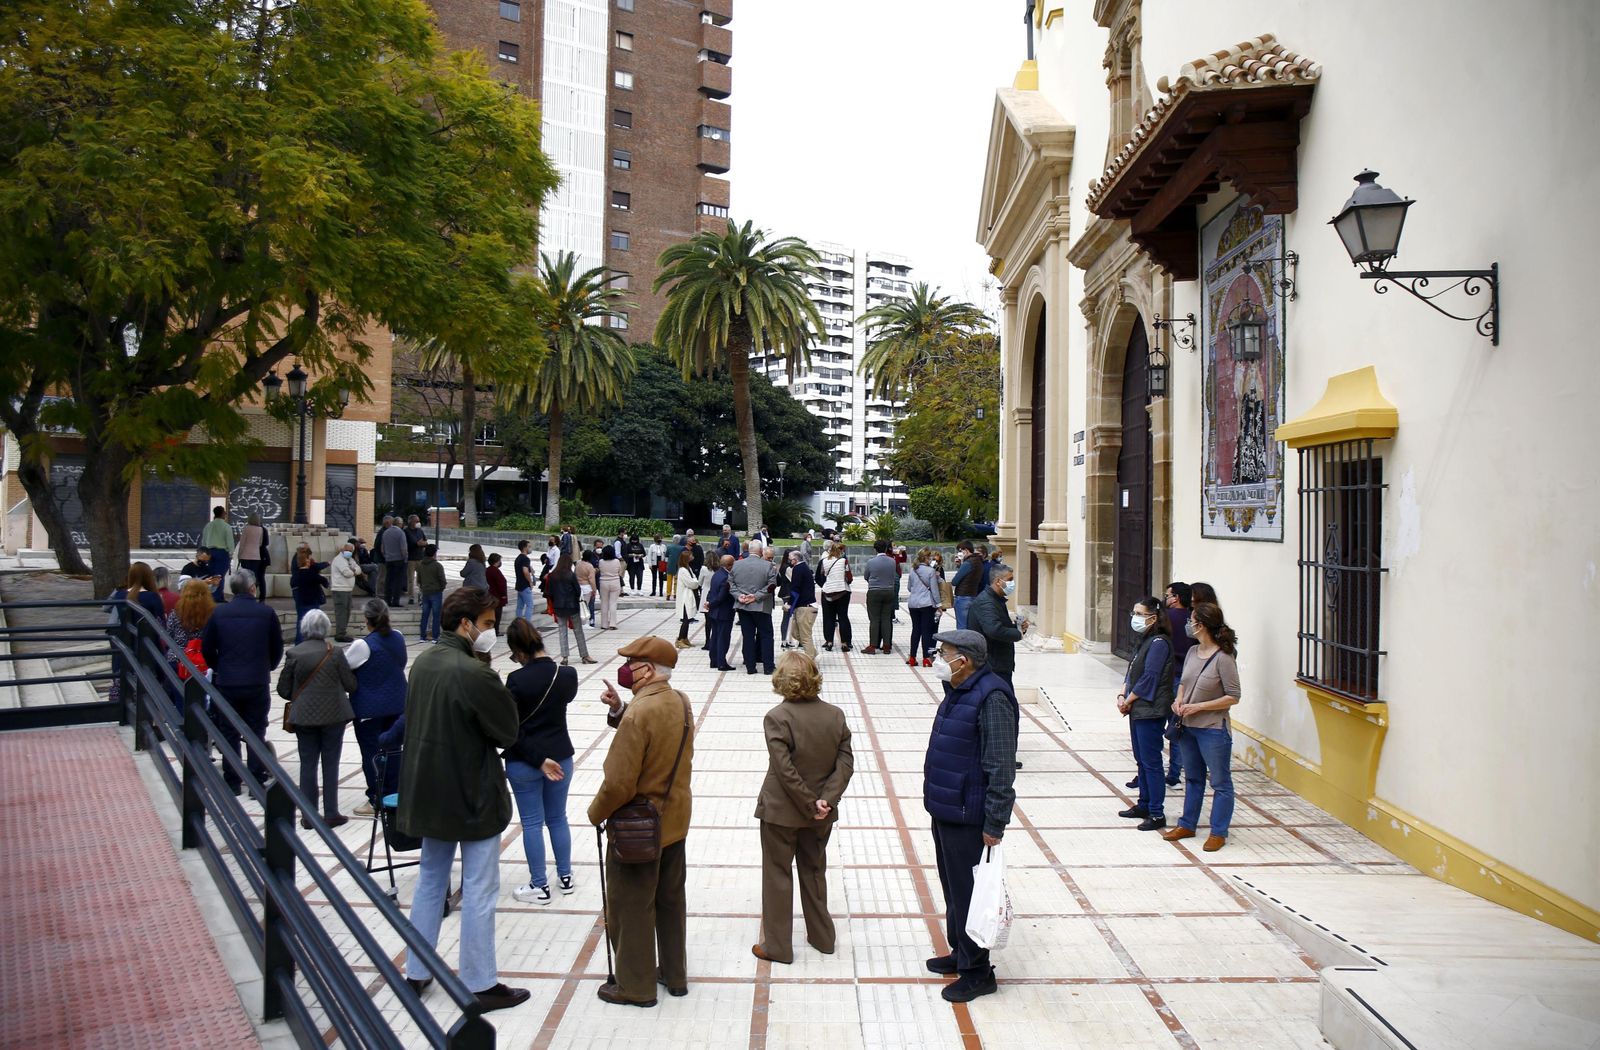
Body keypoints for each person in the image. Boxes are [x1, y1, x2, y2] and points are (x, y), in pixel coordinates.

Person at [398, 587, 529, 1013]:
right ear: (466, 623)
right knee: (479, 888)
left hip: (428, 789)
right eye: (488, 624)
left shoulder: (423, 663)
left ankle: (417, 970)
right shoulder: (475, 673)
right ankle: (479, 981)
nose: (492, 632)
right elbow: (507, 731)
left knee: (430, 881)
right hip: (472, 792)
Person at [589, 636, 696, 1007]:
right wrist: (620, 708)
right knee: (670, 901)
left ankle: (635, 987)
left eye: (631, 663)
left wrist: (595, 812)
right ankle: (675, 975)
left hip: (639, 830)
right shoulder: (679, 701)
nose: (625, 669)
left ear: (647, 670)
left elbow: (618, 783)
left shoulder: (639, 714)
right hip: (675, 819)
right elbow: (659, 742)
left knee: (631, 905)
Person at [922, 629, 1018, 1003]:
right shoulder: (960, 689)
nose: (938, 659)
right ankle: (961, 952)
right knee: (953, 888)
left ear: (964, 660)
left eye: (943, 653)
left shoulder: (992, 697)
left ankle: (978, 973)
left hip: (969, 814)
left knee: (968, 894)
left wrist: (995, 821)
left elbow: (1000, 765)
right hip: (947, 807)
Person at [752, 651, 853, 965]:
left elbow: (784, 769)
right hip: (821, 814)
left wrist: (809, 803)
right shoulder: (835, 715)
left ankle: (778, 947)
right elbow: (845, 763)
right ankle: (822, 937)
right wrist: (826, 800)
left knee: (777, 875)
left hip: (782, 811)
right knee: (814, 871)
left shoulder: (777, 717)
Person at [502, 620, 580, 905]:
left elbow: (510, 727)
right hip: (561, 756)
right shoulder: (567, 674)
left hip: (525, 760)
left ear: (519, 651)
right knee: (558, 818)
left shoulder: (516, 680)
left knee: (532, 823)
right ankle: (565, 876)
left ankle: (539, 885)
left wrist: (537, 758)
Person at [1163, 602, 1241, 853]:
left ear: (1202, 625)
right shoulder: (1192, 651)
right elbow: (1184, 683)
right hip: (1187, 726)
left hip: (1212, 728)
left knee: (1220, 781)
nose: (1188, 624)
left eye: (1192, 620)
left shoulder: (1224, 658)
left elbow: (1233, 696)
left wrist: (1199, 707)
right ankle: (1187, 824)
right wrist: (1178, 701)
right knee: (1193, 777)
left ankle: (1218, 831)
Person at [201, 570, 285, 795]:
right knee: (256, 730)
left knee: (229, 731)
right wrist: (268, 666)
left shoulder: (219, 613)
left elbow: (207, 646)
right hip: (256, 680)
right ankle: (256, 780)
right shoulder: (266, 613)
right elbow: (277, 646)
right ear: (252, 588)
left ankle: (233, 780)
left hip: (227, 680)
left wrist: (218, 667)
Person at [277, 609, 357, 829]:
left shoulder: (294, 653)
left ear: (304, 629)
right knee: (331, 763)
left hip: (304, 717)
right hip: (334, 715)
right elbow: (350, 684)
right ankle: (331, 812)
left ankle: (308, 815)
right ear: (325, 629)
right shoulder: (335, 652)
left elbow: (283, 689)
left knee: (307, 764)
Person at [343, 598, 407, 815]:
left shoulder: (363, 645)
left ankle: (376, 798)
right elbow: (401, 663)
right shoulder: (398, 637)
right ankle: (394, 795)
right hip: (397, 703)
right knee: (393, 751)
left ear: (366, 619)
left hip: (370, 708)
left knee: (371, 754)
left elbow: (344, 667)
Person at [1116, 598, 1175, 832]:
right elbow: (1132, 671)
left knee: (1151, 762)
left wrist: (1129, 699)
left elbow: (1150, 677)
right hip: (1137, 708)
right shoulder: (1145, 640)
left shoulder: (1160, 643)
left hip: (1150, 710)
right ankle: (1144, 804)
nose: (1135, 617)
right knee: (1141, 759)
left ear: (1153, 617)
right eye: (1134, 613)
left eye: (1139, 613)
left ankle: (1157, 812)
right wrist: (1122, 695)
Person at [967, 566, 1028, 687]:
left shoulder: (996, 599)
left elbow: (999, 625)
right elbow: (994, 630)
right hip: (992, 665)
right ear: (998, 581)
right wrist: (1018, 634)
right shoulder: (987, 602)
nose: (1012, 583)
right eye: (1010, 580)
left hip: (998, 663)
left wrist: (1017, 628)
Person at [1161, 582, 1195, 787]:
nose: (1166, 599)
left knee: (1163, 724)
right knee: (1179, 725)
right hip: (1189, 678)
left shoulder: (1166, 618)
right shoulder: (1194, 619)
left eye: (1168, 595)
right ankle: (1176, 772)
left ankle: (1164, 772)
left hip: (1170, 676)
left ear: (1176, 598)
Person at [163, 579, 215, 712]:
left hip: (177, 659)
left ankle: (181, 722)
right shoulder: (211, 614)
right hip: (201, 661)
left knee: (180, 698)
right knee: (201, 699)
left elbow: (168, 635)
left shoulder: (176, 613)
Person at [729, 539, 778, 675]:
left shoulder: (736, 564)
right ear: (761, 551)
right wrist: (756, 596)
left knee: (748, 636)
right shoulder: (768, 566)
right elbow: (771, 586)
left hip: (743, 605)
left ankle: (750, 667)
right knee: (766, 636)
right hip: (761, 606)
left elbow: (730, 584)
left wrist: (739, 595)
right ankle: (768, 667)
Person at [546, 554, 595, 666]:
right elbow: (577, 590)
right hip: (572, 606)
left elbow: (550, 592)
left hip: (559, 606)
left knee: (562, 631)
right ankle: (584, 655)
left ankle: (565, 657)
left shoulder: (552, 576)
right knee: (578, 631)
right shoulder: (571, 575)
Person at [905, 549, 941, 667]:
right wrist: (939, 605)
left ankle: (912, 657)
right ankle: (926, 658)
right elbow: (934, 590)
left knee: (916, 630)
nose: (931, 559)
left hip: (913, 603)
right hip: (926, 603)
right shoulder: (931, 571)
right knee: (926, 631)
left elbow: (909, 587)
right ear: (926, 558)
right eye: (929, 557)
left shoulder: (913, 570)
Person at [862, 540, 898, 655]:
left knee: (874, 619)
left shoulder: (871, 562)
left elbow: (866, 576)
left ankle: (873, 645)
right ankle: (887, 645)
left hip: (874, 591)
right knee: (886, 618)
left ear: (875, 549)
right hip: (889, 591)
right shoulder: (892, 561)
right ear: (886, 548)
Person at [817, 542, 853, 652]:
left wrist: (825, 585)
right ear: (840, 551)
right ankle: (844, 643)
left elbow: (819, 576)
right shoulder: (843, 561)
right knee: (843, 617)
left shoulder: (823, 561)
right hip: (842, 592)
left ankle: (829, 642)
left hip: (827, 592)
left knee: (829, 617)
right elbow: (849, 577)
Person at [290, 544, 328, 645]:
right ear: (307, 560)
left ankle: (299, 643)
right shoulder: (311, 574)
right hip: (312, 601)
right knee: (314, 621)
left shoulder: (296, 575)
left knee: (301, 620)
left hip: (301, 600)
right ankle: (313, 642)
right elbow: (324, 581)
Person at [704, 554, 736, 671]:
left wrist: (709, 603)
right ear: (729, 565)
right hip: (724, 612)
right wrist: (711, 604)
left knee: (715, 636)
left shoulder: (717, 574)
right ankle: (721, 663)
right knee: (723, 638)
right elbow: (721, 597)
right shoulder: (726, 578)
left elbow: (711, 591)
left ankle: (714, 661)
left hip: (714, 612)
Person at [785, 550, 817, 659]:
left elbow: (795, 589)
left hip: (806, 607)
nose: (789, 561)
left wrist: (789, 604)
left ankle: (810, 659)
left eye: (790, 559)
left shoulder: (798, 569)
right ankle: (814, 653)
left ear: (795, 560)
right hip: (802, 606)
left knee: (805, 636)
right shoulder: (803, 567)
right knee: (795, 633)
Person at [200, 505, 234, 602]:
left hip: (209, 552)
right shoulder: (226, 526)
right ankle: (218, 597)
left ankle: (211, 595)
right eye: (225, 512)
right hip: (222, 553)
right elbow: (230, 542)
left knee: (211, 574)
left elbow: (204, 541)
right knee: (220, 575)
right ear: (222, 514)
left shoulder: (208, 526)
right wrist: (231, 554)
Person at [329, 539, 359, 642]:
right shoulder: (339, 560)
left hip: (347, 589)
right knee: (341, 613)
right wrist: (354, 571)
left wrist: (354, 570)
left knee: (347, 612)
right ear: (342, 550)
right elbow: (346, 573)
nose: (348, 552)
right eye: (347, 550)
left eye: (350, 551)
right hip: (340, 589)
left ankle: (343, 632)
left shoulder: (350, 560)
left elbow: (359, 569)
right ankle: (340, 634)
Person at [416, 544, 446, 642]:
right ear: (434, 553)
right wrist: (441, 588)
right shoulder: (437, 566)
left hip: (425, 592)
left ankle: (422, 636)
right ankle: (435, 636)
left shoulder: (420, 565)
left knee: (425, 615)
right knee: (436, 615)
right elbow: (442, 580)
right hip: (436, 592)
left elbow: (419, 580)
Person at [237, 513, 270, 596]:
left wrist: (239, 555)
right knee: (253, 577)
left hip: (245, 556)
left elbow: (242, 543)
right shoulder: (260, 529)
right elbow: (260, 543)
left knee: (245, 577)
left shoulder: (246, 528)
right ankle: (252, 594)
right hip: (256, 556)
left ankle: (245, 595)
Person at [674, 551, 701, 649]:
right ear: (686, 558)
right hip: (685, 597)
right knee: (685, 619)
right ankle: (680, 639)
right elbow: (692, 583)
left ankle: (685, 638)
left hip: (690, 596)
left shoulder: (688, 568)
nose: (692, 556)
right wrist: (696, 582)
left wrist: (695, 581)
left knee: (688, 618)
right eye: (691, 555)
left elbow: (694, 580)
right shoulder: (683, 570)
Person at [381, 513, 409, 607]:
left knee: (389, 580)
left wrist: (386, 556)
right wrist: (405, 559)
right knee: (398, 581)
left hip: (388, 560)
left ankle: (387, 600)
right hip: (399, 560)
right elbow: (403, 549)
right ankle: (395, 601)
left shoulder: (385, 533)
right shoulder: (400, 533)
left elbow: (382, 549)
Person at [596, 547, 625, 630]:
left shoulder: (601, 561)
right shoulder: (616, 561)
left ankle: (604, 624)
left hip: (603, 582)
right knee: (613, 603)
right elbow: (619, 571)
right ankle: (613, 623)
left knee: (604, 603)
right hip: (615, 581)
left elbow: (600, 570)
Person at [405, 515, 428, 605]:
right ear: (411, 522)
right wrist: (418, 543)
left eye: (418, 521)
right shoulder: (406, 531)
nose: (418, 523)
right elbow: (409, 543)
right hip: (410, 559)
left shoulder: (420, 531)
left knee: (421, 579)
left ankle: (421, 596)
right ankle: (411, 597)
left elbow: (425, 541)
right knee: (410, 579)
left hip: (420, 558)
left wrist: (422, 543)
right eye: (416, 521)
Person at [514, 540, 536, 623]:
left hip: (519, 585)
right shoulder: (526, 559)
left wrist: (530, 568)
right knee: (530, 605)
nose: (530, 548)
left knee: (520, 606)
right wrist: (530, 582)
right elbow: (525, 571)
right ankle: (527, 625)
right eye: (529, 546)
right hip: (525, 586)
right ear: (524, 548)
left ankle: (518, 624)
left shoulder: (518, 558)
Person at [485, 553, 508, 634]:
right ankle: (496, 630)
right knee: (497, 615)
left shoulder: (487, 570)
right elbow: (501, 584)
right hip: (497, 597)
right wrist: (503, 595)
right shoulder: (495, 571)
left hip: (489, 595)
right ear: (497, 561)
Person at [663, 535, 683, 601]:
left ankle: (668, 594)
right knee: (676, 581)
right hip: (678, 566)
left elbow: (666, 555)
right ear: (679, 540)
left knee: (669, 581)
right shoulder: (681, 548)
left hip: (670, 566)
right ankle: (675, 594)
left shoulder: (669, 547)